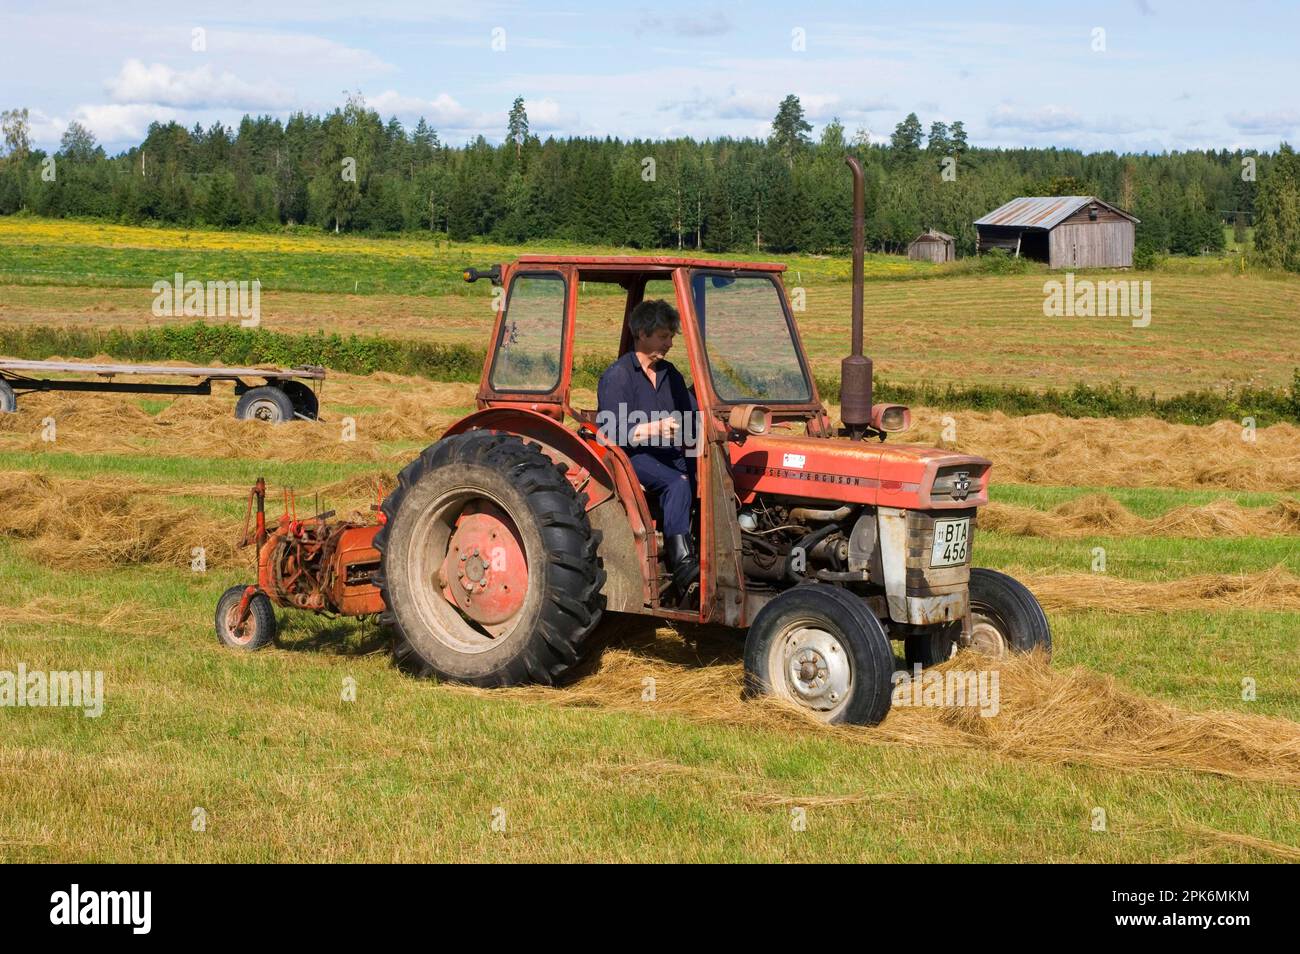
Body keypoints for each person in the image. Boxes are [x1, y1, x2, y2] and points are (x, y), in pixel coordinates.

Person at [596, 298, 700, 597]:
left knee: (703, 471)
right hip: (632, 456)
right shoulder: (618, 375)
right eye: (663, 336)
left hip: (665, 451)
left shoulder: (670, 375)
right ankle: (681, 563)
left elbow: (691, 414)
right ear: (642, 334)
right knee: (677, 482)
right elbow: (613, 430)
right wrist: (656, 428)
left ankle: (703, 545)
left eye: (671, 336)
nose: (669, 343)